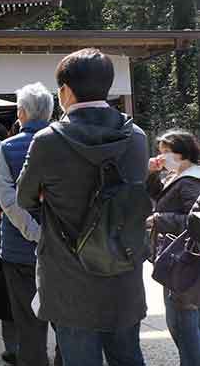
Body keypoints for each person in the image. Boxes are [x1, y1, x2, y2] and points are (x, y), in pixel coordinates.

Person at [18, 48, 148, 366]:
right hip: (123, 269)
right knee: (128, 356)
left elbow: (24, 198)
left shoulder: (48, 140)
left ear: (65, 90)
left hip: (68, 276)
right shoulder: (137, 137)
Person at [0, 82, 56, 366]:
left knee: (29, 326)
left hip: (20, 250)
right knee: (66, 322)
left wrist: (34, 233)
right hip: (62, 249)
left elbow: (8, 201)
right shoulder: (64, 143)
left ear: (21, 112)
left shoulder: (7, 148)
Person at [147, 130, 200, 365]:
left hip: (184, 261)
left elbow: (194, 220)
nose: (162, 157)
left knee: (182, 324)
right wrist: (151, 173)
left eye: (167, 152)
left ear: (183, 153)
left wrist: (160, 219)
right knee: (180, 322)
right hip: (175, 259)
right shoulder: (175, 176)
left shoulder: (189, 181)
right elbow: (154, 193)